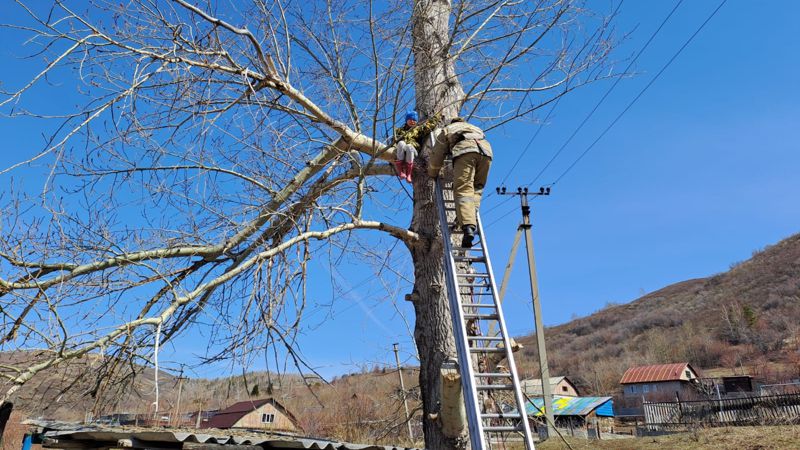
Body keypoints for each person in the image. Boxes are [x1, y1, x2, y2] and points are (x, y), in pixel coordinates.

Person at [427, 117, 493, 248]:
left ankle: (468, 226)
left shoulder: (447, 129)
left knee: (463, 189)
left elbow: (437, 154)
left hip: (466, 151)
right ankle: (468, 218)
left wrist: (432, 172)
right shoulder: (474, 127)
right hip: (486, 152)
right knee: (477, 189)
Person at [393, 110, 440, 183]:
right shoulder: (399, 131)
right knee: (401, 143)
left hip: (413, 152)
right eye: (411, 120)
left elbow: (428, 126)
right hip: (401, 152)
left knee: (409, 146)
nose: (412, 121)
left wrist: (436, 116)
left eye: (414, 120)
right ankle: (400, 171)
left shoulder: (417, 129)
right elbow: (394, 141)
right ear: (407, 120)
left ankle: (408, 173)